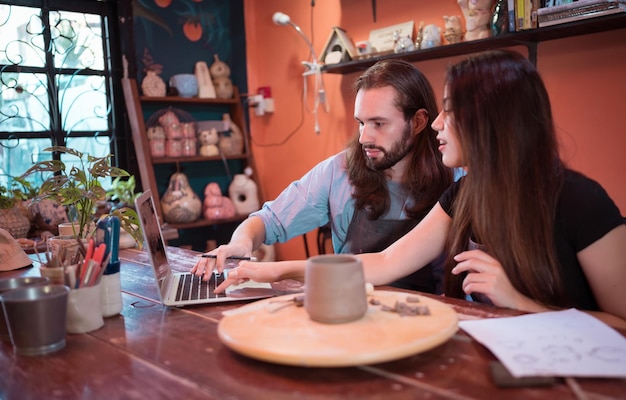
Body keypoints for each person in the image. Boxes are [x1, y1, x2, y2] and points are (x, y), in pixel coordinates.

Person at [213, 50, 626, 325]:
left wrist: (521, 302)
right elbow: (383, 262)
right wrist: (270, 269)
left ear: (490, 123)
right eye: (362, 124)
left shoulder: (582, 201)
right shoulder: (466, 194)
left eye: (450, 111)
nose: (439, 124)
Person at [192, 59, 455, 293]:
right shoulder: (338, 172)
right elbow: (268, 220)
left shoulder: (455, 178)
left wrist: (278, 270)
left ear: (419, 122)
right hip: (349, 312)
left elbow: (391, 263)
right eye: (361, 123)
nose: (364, 137)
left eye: (379, 124)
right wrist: (241, 242)